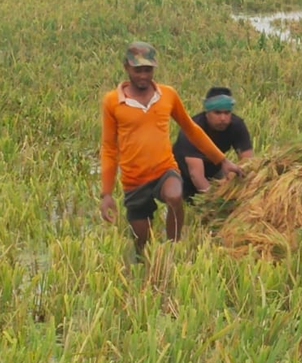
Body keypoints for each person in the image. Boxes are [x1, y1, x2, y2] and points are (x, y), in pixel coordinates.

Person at [100, 41, 242, 257]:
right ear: (126, 68)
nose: (143, 76)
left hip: (164, 169)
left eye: (148, 70)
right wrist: (106, 193)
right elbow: (109, 148)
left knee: (175, 196)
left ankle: (173, 250)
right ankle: (144, 268)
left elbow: (191, 130)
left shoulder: (168, 95)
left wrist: (222, 161)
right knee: (141, 245)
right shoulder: (112, 101)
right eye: (138, 70)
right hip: (134, 179)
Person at [172, 86, 254, 199]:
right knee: (177, 204)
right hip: (181, 175)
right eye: (217, 113)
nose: (223, 118)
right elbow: (196, 175)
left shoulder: (237, 126)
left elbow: (248, 163)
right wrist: (213, 202)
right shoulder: (192, 129)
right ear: (207, 112)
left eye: (227, 113)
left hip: (213, 173)